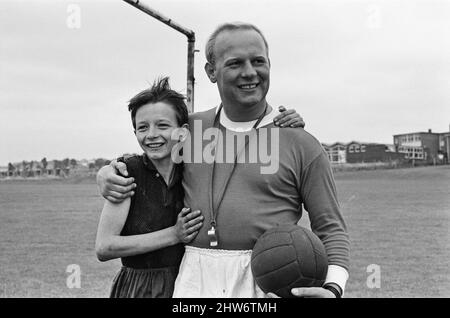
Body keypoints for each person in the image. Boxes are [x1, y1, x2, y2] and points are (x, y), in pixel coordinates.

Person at [98, 22, 349, 298]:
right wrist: (108, 172)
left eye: (258, 61)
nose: (250, 72)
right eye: (235, 63)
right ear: (210, 71)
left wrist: (333, 287)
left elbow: (330, 227)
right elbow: (147, 159)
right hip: (193, 279)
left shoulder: (300, 142)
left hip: (267, 283)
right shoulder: (189, 131)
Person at [95, 77, 204, 298]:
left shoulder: (195, 170)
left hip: (188, 284)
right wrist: (174, 234)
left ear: (182, 131)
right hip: (139, 288)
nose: (151, 135)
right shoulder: (126, 173)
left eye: (162, 125)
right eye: (142, 127)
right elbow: (105, 247)